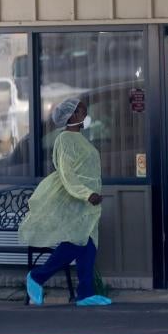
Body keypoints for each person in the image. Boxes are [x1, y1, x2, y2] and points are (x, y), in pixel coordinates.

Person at [19, 97, 111, 307]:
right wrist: (86, 194)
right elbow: (68, 174)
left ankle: (85, 294)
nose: (86, 113)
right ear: (73, 115)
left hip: (88, 201)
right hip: (76, 199)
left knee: (88, 247)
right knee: (74, 245)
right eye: (82, 110)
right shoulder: (64, 140)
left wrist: (92, 194)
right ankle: (37, 277)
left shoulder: (80, 138)